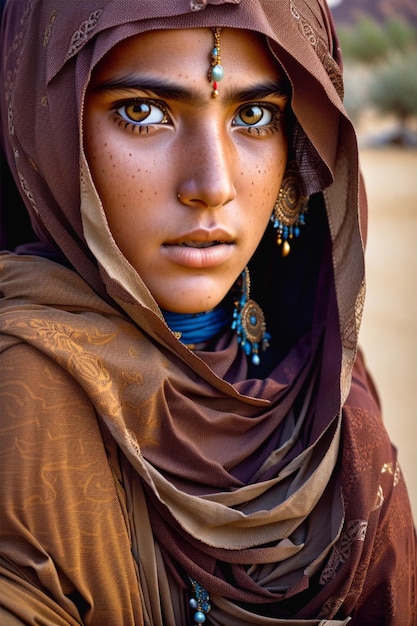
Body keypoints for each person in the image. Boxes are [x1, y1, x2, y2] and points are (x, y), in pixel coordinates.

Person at [0, 0, 415, 624]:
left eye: (253, 115)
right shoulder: (25, 399)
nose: (212, 183)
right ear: (48, 133)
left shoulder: (326, 389)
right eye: (143, 112)